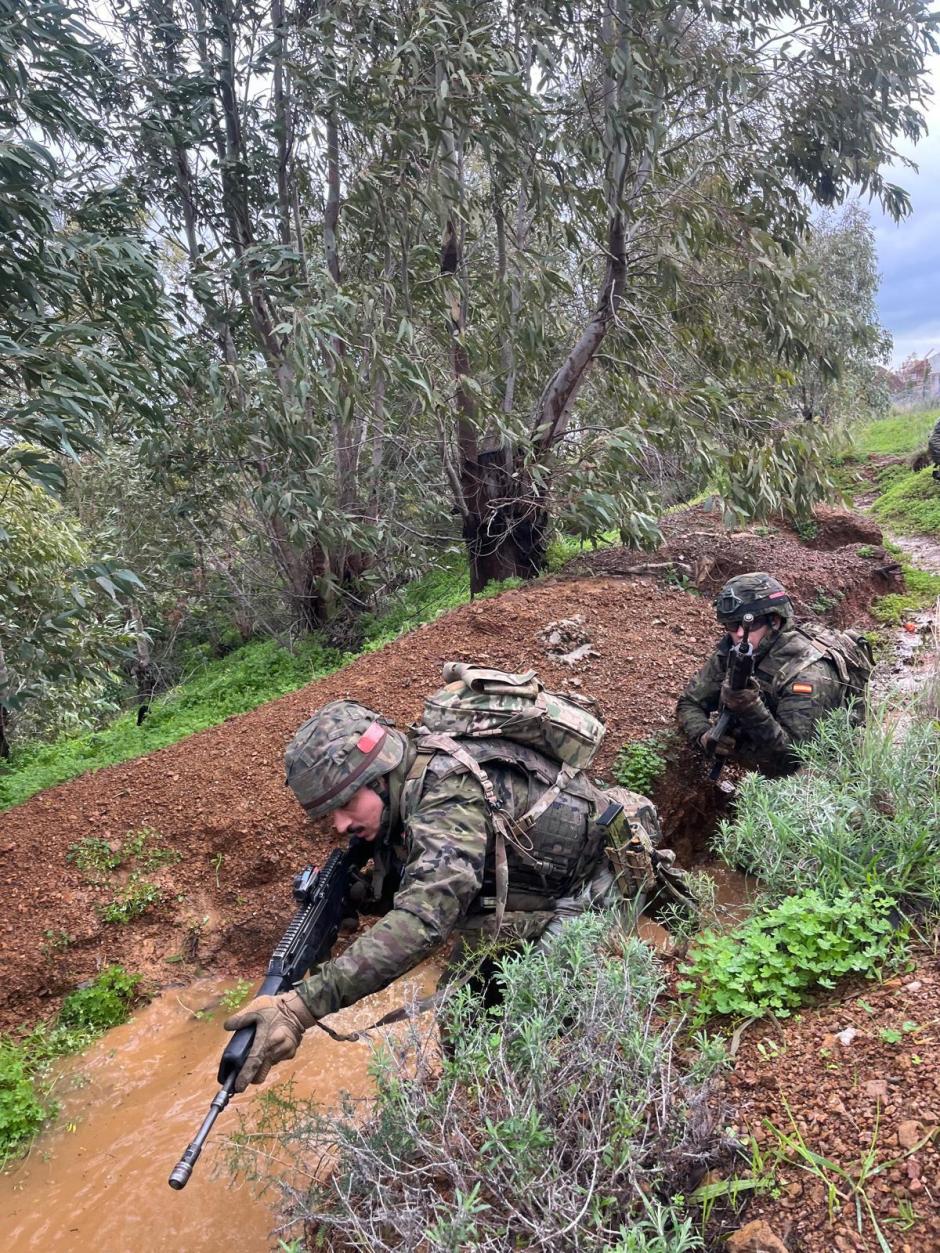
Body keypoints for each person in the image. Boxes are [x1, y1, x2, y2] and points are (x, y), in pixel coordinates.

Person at [223, 689, 673, 1091]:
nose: (339, 824)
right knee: (464, 1027)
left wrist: (301, 1007)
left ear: (377, 776)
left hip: (596, 882)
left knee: (530, 1026)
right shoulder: (407, 790)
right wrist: (360, 895)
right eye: (329, 815)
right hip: (526, 894)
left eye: (343, 805)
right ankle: (477, 1109)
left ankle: (607, 1090)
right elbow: (432, 876)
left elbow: (425, 919)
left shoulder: (445, 791)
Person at [676, 572, 871, 777]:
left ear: (775, 621)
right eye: (732, 625)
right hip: (765, 756)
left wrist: (750, 708)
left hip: (820, 771)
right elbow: (689, 702)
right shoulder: (734, 652)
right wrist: (703, 735)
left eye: (748, 625)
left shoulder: (808, 674)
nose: (739, 634)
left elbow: (794, 761)